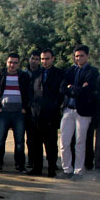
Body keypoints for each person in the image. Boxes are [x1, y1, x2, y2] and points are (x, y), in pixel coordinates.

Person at [58, 45, 98, 180]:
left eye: (81, 56)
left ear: (87, 56)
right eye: (76, 56)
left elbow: (88, 90)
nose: (78, 58)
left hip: (83, 112)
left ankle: (78, 171)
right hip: (68, 109)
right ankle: (67, 169)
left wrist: (73, 88)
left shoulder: (92, 72)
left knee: (80, 142)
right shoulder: (70, 70)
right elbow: (63, 88)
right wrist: (77, 88)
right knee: (64, 142)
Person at [0, 53, 32, 173]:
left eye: (15, 62)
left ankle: (20, 165)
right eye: (10, 62)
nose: (12, 65)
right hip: (3, 113)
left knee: (19, 141)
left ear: (18, 64)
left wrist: (25, 108)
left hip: (19, 113)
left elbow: (29, 93)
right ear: (6, 62)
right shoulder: (0, 75)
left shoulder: (23, 76)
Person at [27, 49, 64, 177]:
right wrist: (32, 106)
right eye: (42, 59)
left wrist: (53, 106)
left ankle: (51, 169)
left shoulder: (59, 74)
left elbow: (61, 94)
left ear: (53, 58)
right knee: (35, 143)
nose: (44, 61)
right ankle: (37, 168)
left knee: (51, 145)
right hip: (36, 114)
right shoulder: (36, 73)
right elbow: (30, 91)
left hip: (50, 115)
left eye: (47, 59)